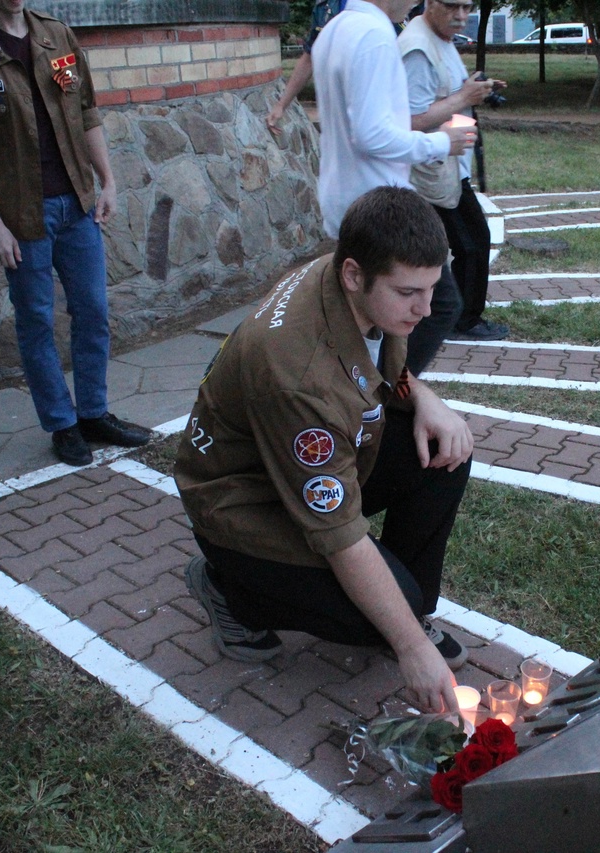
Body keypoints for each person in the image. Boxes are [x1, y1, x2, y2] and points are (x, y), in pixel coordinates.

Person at [175, 187, 474, 714]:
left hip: (313, 457)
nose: (426, 310)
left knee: (446, 449)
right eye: (410, 293)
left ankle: (408, 611)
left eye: (431, 289)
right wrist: (410, 648)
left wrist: (424, 398)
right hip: (245, 500)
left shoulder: (351, 278)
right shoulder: (299, 376)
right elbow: (339, 537)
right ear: (355, 275)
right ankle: (228, 589)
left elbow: (378, 367)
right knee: (383, 613)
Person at [0, 0, 150, 467]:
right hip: (20, 214)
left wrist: (107, 180)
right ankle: (61, 423)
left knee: (93, 311)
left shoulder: (57, 36)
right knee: (36, 322)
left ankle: (93, 413)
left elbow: (86, 111)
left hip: (76, 204)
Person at [313, 0, 477, 374]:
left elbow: (368, 122)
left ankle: (365, 395)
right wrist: (440, 143)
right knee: (438, 305)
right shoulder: (373, 35)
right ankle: (387, 396)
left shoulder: (336, 29)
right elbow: (372, 135)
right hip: (377, 205)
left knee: (360, 315)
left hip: (346, 197)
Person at [399, 0, 509, 341]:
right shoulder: (417, 48)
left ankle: (453, 317)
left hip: (447, 166)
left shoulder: (441, 40)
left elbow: (446, 92)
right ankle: (461, 321)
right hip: (429, 170)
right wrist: (464, 97)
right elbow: (410, 120)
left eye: (467, 6)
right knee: (472, 243)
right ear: (430, 4)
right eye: (452, 6)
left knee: (467, 243)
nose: (461, 16)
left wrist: (477, 88)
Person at [264, 0, 343, 138]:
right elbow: (309, 58)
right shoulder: (324, 8)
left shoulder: (381, 5)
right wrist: (281, 105)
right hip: (336, 117)